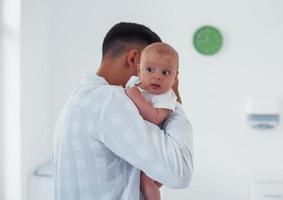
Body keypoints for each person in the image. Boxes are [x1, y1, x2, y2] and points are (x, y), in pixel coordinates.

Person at [53, 22, 193, 200]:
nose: (156, 79)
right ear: (134, 60)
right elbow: (180, 172)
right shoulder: (110, 99)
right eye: (150, 68)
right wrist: (173, 94)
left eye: (164, 72)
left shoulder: (78, 98)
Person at [125, 42, 180, 200]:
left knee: (146, 179)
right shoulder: (134, 84)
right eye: (150, 70)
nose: (157, 76)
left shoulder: (166, 96)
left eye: (165, 73)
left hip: (153, 146)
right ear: (138, 69)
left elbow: (155, 117)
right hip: (135, 139)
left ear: (175, 78)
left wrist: (135, 97)